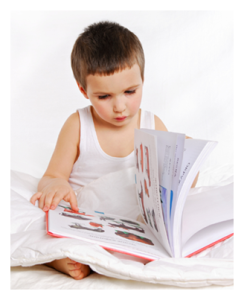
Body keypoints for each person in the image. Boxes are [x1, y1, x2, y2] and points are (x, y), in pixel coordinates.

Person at [30, 21, 198, 280]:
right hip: (85, 218)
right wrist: (56, 186)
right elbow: (52, 176)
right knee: (32, 223)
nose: (120, 106)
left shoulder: (153, 125)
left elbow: (172, 187)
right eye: (104, 97)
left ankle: (105, 255)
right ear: (83, 90)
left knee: (179, 234)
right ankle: (60, 259)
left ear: (142, 79)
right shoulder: (78, 125)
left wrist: (186, 161)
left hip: (131, 220)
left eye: (130, 91)